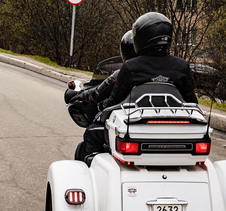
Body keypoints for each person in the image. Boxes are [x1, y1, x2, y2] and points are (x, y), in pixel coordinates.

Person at [76, 11, 198, 163]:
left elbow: (114, 101)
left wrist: (100, 116)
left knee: (92, 133)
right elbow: (192, 103)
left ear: (141, 38)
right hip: (174, 132)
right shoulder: (182, 66)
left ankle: (91, 169)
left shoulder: (131, 66)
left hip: (136, 129)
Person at [72, 30, 137, 162]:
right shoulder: (172, 70)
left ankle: (91, 170)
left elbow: (97, 93)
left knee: (91, 132)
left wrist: (80, 96)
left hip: (129, 125)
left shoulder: (125, 71)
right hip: (166, 128)